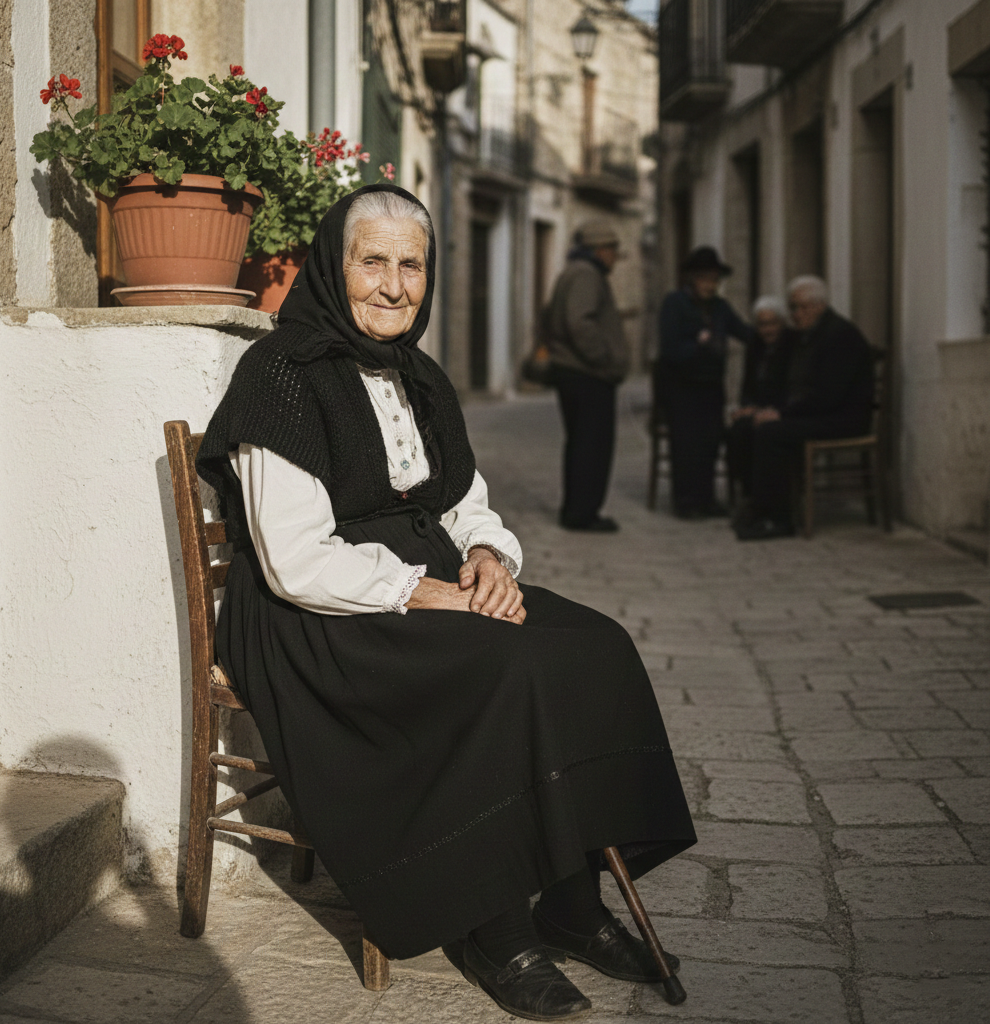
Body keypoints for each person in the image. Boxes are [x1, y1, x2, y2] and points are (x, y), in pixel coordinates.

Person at [196, 185, 696, 1021]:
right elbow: (294, 561)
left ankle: (572, 906)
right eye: (373, 262)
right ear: (335, 264)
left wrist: (490, 557)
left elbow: (464, 500)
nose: (394, 286)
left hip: (415, 581)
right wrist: (427, 593)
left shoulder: (419, 374)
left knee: (593, 645)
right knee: (499, 667)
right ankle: (493, 929)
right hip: (314, 613)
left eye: (412, 265)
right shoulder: (279, 374)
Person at [734, 275, 875, 541]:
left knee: (771, 433)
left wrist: (782, 414)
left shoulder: (839, 335)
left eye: (799, 307)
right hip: (820, 413)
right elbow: (795, 389)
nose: (795, 315)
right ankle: (757, 505)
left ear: (817, 305)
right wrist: (767, 410)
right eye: (792, 308)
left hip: (842, 418)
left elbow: (827, 396)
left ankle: (778, 518)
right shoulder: (810, 336)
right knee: (750, 426)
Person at [544, 220, 630, 532]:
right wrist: (605, 359)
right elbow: (579, 323)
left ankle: (579, 510)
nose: (614, 259)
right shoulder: (585, 274)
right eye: (612, 251)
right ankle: (582, 513)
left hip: (579, 372)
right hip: (587, 374)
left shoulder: (576, 271)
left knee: (583, 443)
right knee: (591, 446)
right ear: (601, 249)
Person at [658, 246, 752, 519]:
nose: (710, 285)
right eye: (704, 279)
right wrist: (697, 345)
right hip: (683, 387)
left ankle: (707, 498)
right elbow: (670, 349)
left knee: (710, 443)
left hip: (711, 384)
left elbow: (743, 331)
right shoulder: (674, 304)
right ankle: (687, 501)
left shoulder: (720, 308)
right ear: (693, 279)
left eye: (714, 280)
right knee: (687, 444)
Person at [726, 296, 792, 516]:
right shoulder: (755, 345)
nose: (768, 330)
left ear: (782, 323)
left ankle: (765, 498)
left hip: (781, 409)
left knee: (761, 430)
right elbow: (748, 386)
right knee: (739, 428)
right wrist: (748, 406)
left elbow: (791, 388)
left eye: (773, 323)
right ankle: (748, 493)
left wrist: (763, 410)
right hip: (759, 407)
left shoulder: (790, 346)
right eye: (762, 324)